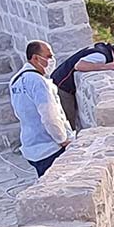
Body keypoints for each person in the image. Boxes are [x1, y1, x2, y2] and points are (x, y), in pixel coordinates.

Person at [9, 40, 73, 177]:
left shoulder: (15, 80)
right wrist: (63, 140)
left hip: (31, 146)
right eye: (49, 56)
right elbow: (50, 115)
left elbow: (18, 111)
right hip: (49, 147)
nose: (51, 60)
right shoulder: (38, 82)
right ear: (36, 58)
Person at [49, 36, 114, 128]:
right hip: (62, 87)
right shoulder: (102, 56)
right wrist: (107, 67)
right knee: (68, 122)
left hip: (59, 80)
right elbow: (79, 66)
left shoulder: (102, 48)